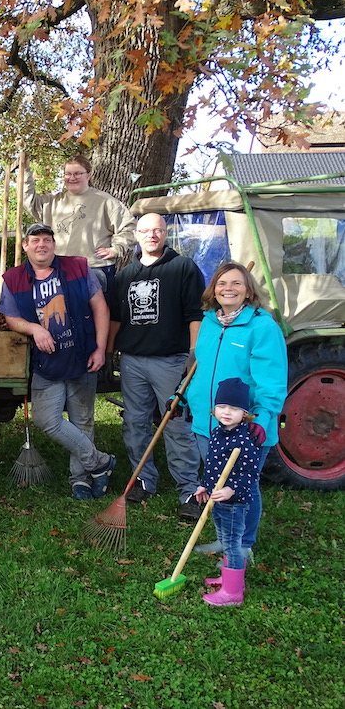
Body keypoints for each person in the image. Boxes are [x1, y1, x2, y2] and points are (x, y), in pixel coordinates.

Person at [0, 222, 116, 499]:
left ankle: (81, 479)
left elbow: (100, 308)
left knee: (82, 420)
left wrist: (100, 348)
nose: (41, 244)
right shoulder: (14, 279)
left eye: (47, 239)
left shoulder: (78, 267)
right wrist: (35, 328)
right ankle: (100, 462)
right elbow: (11, 318)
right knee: (46, 419)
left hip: (82, 356)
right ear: (25, 246)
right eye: (35, 240)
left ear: (54, 244)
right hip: (47, 362)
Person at [186, 262, 288, 561]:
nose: (228, 288)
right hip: (209, 423)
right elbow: (200, 369)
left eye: (236, 283)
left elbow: (271, 379)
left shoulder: (261, 326)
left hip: (246, 426)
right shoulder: (209, 322)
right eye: (222, 283)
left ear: (248, 291)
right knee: (218, 482)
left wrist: (264, 417)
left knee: (244, 486)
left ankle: (244, 544)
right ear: (213, 290)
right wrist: (180, 397)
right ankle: (224, 539)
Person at [108, 213, 206, 520]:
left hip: (171, 360)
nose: (152, 235)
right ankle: (143, 479)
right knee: (135, 423)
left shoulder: (183, 267)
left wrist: (193, 351)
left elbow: (195, 313)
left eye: (158, 230)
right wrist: (110, 351)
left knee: (176, 424)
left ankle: (189, 489)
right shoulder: (125, 275)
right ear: (136, 235)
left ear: (165, 234)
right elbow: (115, 317)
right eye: (146, 231)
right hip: (133, 361)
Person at [195, 377, 265, 606]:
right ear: (214, 409)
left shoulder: (245, 440)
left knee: (234, 544)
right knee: (225, 540)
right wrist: (205, 484)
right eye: (222, 406)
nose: (226, 412)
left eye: (234, 408)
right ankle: (229, 578)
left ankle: (233, 592)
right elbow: (213, 465)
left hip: (235, 502)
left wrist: (230, 489)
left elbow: (250, 475)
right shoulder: (218, 433)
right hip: (218, 499)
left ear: (244, 413)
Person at [20, 155, 136, 295]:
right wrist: (26, 172)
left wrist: (116, 249)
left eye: (77, 173)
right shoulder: (53, 202)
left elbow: (129, 227)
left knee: (97, 316)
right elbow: (28, 202)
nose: (72, 177)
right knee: (60, 316)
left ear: (89, 175)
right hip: (59, 270)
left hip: (93, 270)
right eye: (68, 173)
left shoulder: (105, 201)